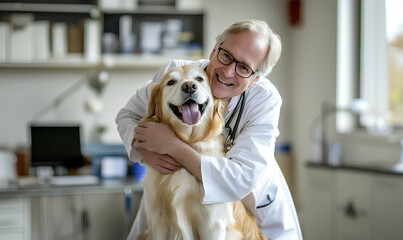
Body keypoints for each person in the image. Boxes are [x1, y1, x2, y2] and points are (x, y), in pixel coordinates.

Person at [116, 19, 303, 240]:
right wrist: (144, 149)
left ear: (255, 79)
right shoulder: (175, 74)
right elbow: (127, 115)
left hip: (252, 209)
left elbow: (240, 179)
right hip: (171, 199)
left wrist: (172, 146)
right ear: (215, 50)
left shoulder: (264, 99)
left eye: (243, 68)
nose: (228, 71)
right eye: (226, 56)